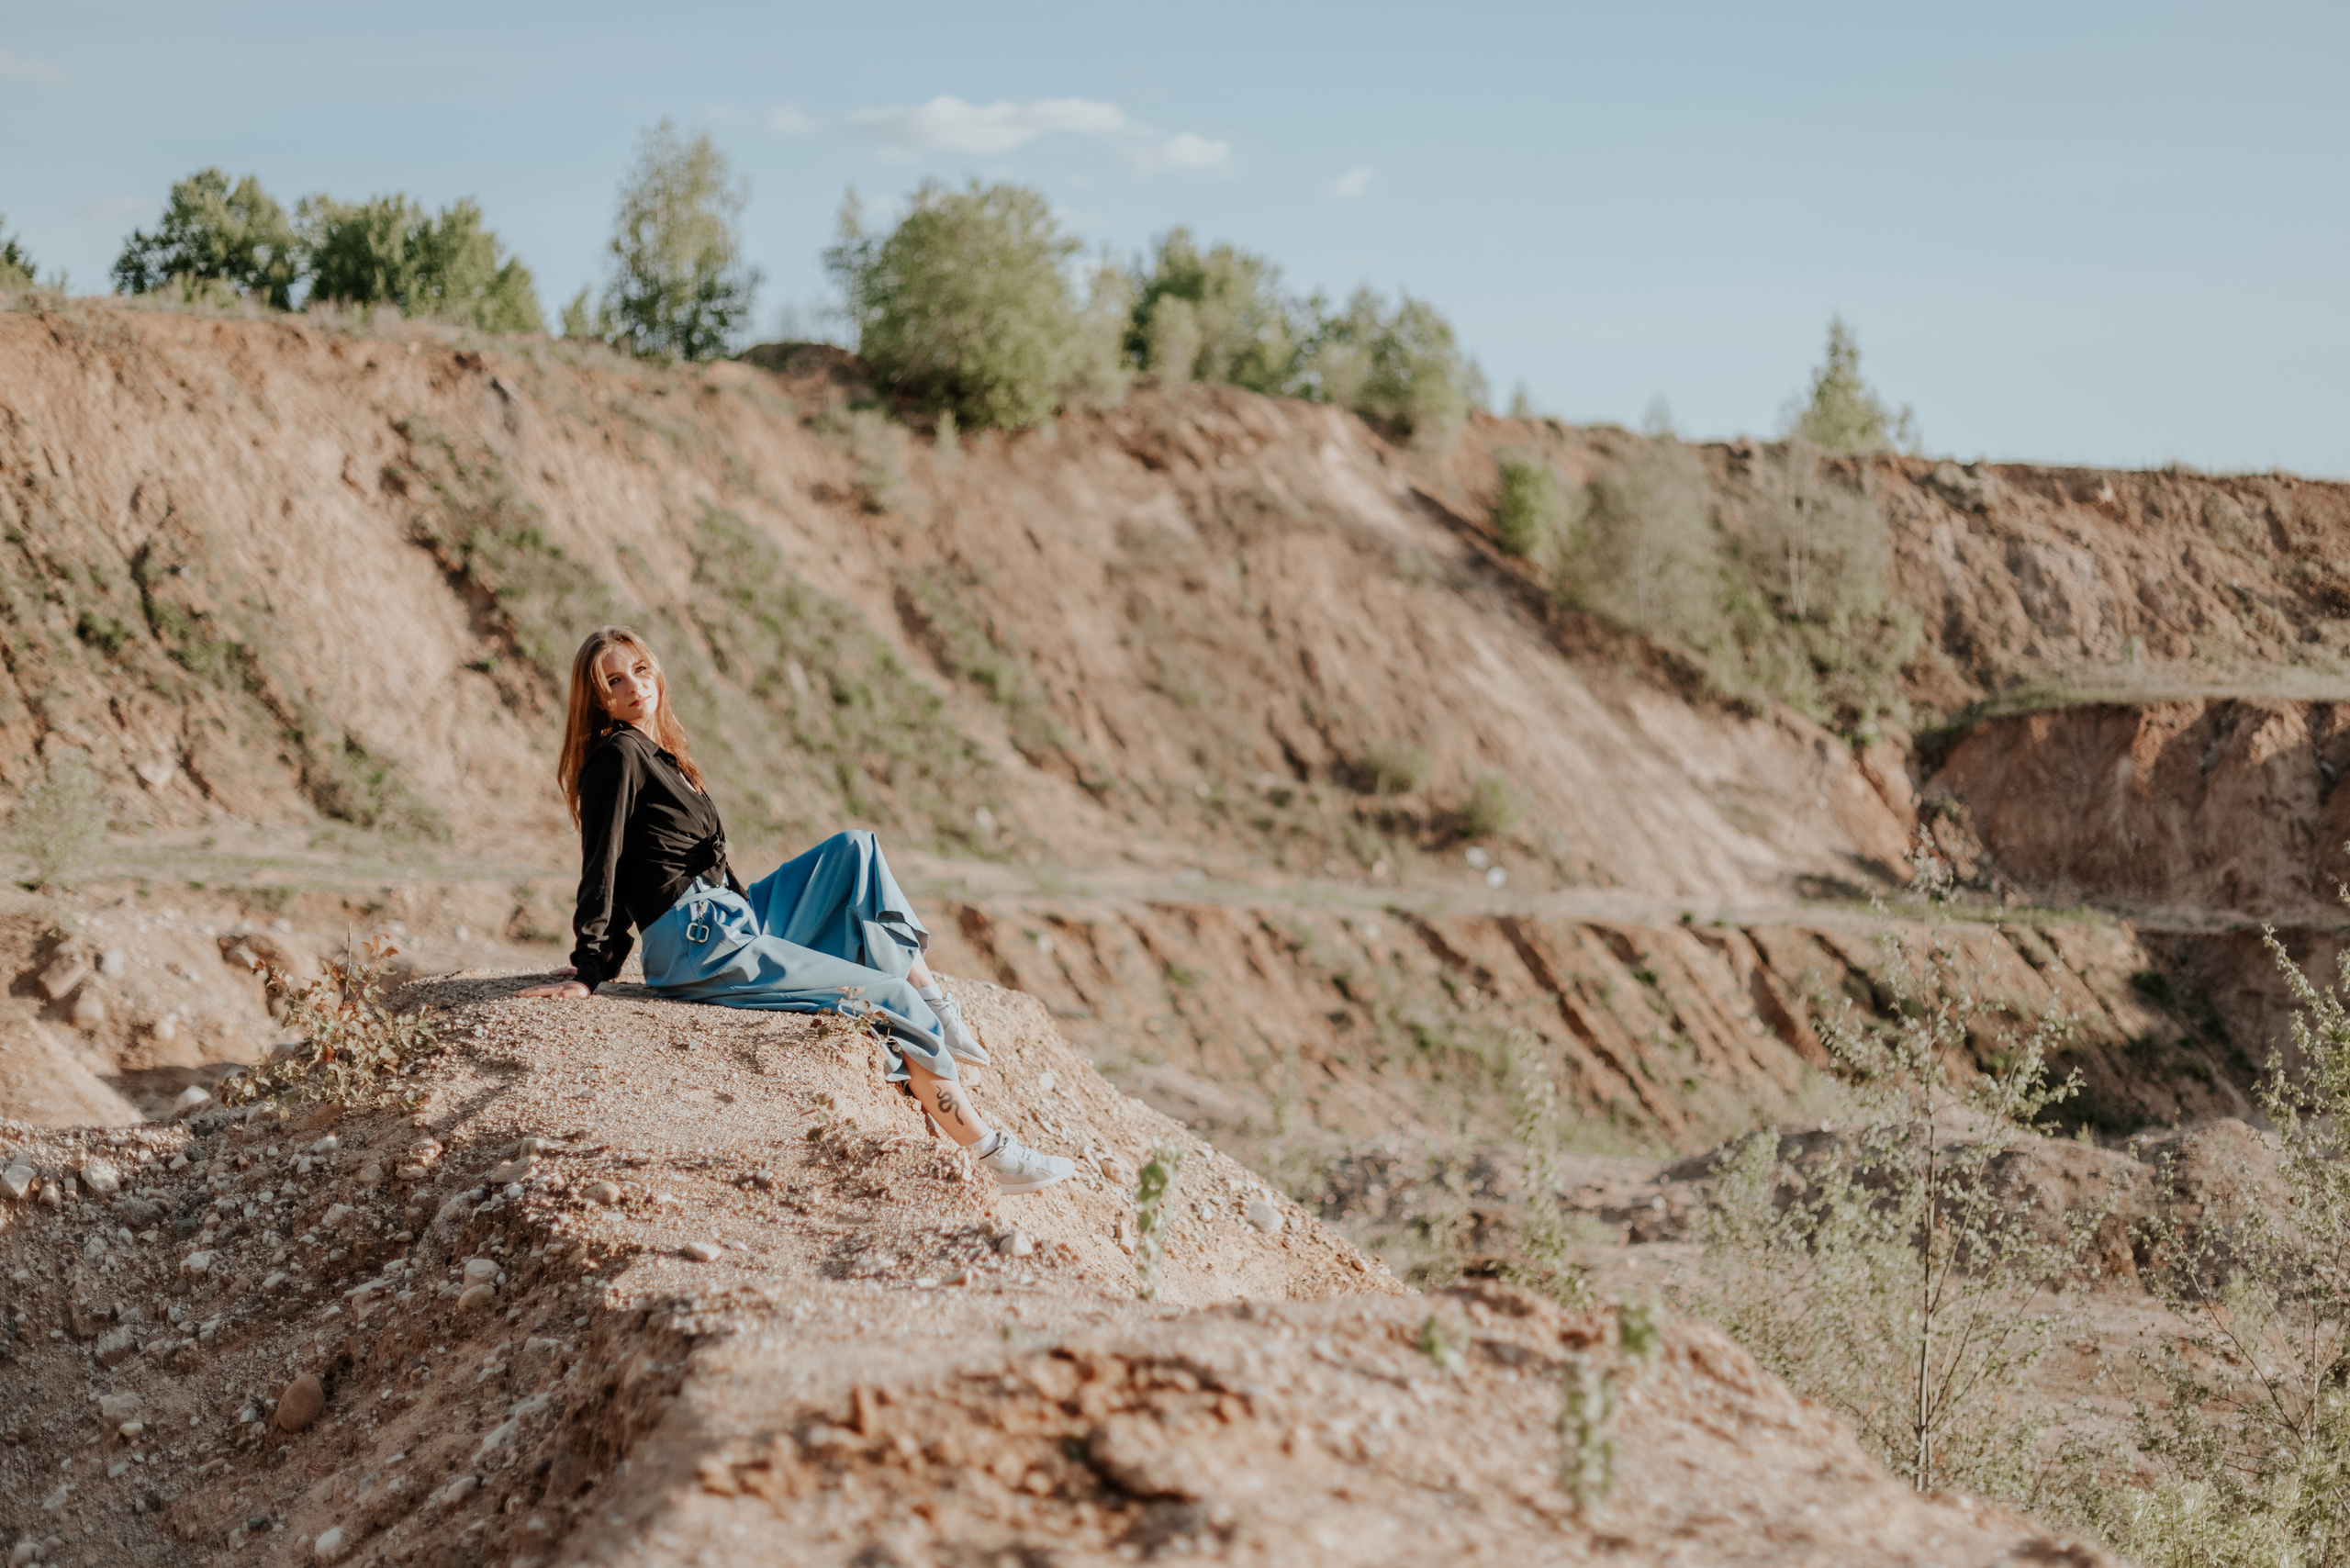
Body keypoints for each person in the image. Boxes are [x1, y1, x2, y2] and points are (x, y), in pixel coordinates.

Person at [515, 625, 1075, 1194]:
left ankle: (936, 1010)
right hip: (699, 941)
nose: (634, 686)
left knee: (855, 850)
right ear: (598, 699)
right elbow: (602, 862)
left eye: (639, 669)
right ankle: (990, 1151)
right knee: (892, 998)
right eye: (614, 681)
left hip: (734, 914)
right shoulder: (617, 755)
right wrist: (591, 965)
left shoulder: (665, 755)